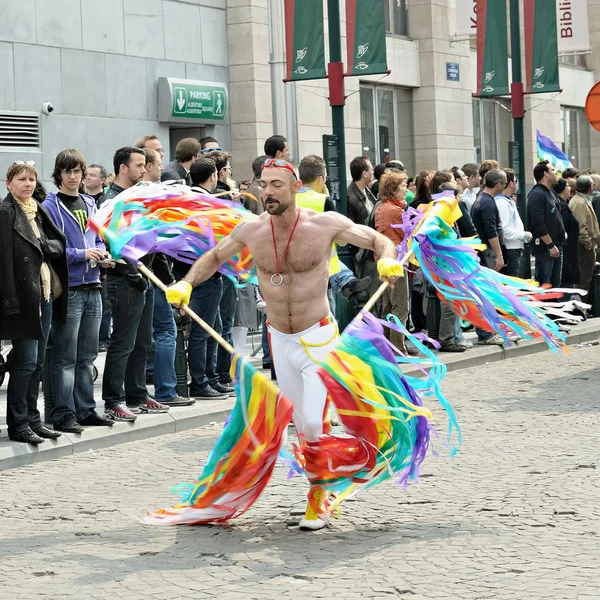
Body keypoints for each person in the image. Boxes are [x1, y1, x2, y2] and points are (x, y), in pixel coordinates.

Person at [165, 158, 402, 530]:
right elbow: (213, 257)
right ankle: (320, 486)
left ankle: (318, 497)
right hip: (280, 339)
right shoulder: (252, 230)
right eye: (263, 184)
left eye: (277, 185)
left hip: (318, 337)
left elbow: (376, 238)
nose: (268, 192)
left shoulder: (324, 225)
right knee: (301, 422)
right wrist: (187, 284)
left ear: (295, 187)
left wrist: (387, 260)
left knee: (311, 421)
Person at [43, 149, 115, 432]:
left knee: (87, 356)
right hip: (70, 288)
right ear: (59, 174)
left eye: (77, 171)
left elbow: (97, 237)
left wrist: (101, 252)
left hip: (94, 285)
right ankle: (62, 413)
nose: (73, 177)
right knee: (65, 357)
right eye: (68, 171)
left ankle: (85, 409)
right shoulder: (50, 205)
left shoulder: (89, 201)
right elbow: (52, 248)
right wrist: (80, 254)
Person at [101, 147, 173, 421]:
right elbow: (114, 242)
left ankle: (137, 394)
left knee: (143, 343)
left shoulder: (137, 196)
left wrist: (163, 277)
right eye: (139, 165)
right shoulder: (112, 199)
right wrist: (136, 278)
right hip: (125, 282)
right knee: (123, 344)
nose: (144, 170)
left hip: (145, 280)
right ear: (123, 168)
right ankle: (113, 400)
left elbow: (149, 240)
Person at [0, 161, 68, 444]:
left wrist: (50, 247)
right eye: (21, 179)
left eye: (31, 179)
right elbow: (3, 262)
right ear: (8, 183)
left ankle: (33, 419)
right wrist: (9, 302)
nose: (27, 184)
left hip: (44, 294)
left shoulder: (37, 211)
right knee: (25, 362)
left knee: (38, 362)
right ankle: (18, 424)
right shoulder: (5, 213)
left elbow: (54, 244)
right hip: (23, 299)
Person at [297, 154, 371, 310]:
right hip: (320, 273)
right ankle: (347, 281)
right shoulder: (323, 201)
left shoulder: (287, 200)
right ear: (320, 179)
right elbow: (341, 241)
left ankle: (347, 281)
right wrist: (327, 198)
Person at [374, 170, 412, 355]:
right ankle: (398, 349)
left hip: (383, 261)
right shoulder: (396, 210)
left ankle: (387, 347)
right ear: (393, 189)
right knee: (400, 306)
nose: (405, 189)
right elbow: (407, 235)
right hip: (396, 262)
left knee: (388, 306)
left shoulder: (381, 207)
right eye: (403, 186)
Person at [470, 169, 507, 346]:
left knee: (488, 294)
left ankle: (490, 330)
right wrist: (499, 255)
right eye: (505, 183)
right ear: (498, 184)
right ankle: (486, 333)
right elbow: (491, 232)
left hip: (484, 254)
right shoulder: (486, 203)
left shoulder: (483, 200)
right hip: (487, 255)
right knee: (488, 294)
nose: (506, 186)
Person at [527, 160, 565, 289]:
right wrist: (550, 245)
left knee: (555, 287)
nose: (556, 173)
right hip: (545, 249)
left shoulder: (551, 192)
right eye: (553, 170)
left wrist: (562, 232)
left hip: (556, 246)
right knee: (545, 286)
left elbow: (556, 216)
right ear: (545, 174)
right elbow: (538, 223)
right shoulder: (536, 195)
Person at [495, 168, 530, 277]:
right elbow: (504, 230)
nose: (516, 184)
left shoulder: (508, 201)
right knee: (511, 282)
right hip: (510, 249)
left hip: (515, 247)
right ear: (510, 184)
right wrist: (522, 235)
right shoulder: (502, 203)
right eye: (515, 181)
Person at [569, 175, 600, 292]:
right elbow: (581, 228)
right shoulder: (578, 203)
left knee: (587, 277)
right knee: (583, 279)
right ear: (588, 187)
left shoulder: (583, 200)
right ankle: (581, 308)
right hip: (584, 248)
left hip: (588, 246)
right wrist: (588, 245)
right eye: (592, 184)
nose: (593, 186)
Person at [553, 178, 580, 291]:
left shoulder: (564, 204)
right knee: (566, 284)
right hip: (566, 250)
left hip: (570, 249)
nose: (570, 188)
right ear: (562, 190)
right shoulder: (561, 207)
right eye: (567, 186)